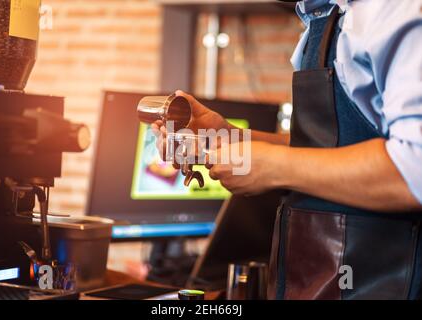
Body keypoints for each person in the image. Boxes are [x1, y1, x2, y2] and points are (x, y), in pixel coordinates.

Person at [152, 0, 422, 299]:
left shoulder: (393, 9)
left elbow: (414, 169)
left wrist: (273, 167)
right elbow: (331, 148)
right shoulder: (326, 17)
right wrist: (229, 138)